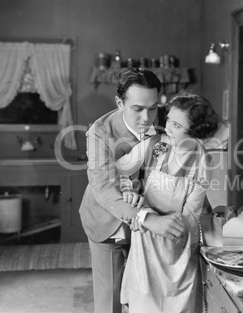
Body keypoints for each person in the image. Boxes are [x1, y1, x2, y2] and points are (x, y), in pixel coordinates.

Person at [117, 93, 219, 313]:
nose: (168, 129)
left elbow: (191, 214)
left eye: (176, 125)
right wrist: (130, 193)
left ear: (196, 131)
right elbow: (119, 171)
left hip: (177, 247)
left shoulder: (203, 162)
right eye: (168, 121)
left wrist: (170, 226)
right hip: (145, 239)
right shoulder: (154, 144)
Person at [79, 67, 163, 313]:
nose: (147, 118)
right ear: (119, 103)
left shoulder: (168, 121)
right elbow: (103, 185)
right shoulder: (99, 132)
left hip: (154, 217)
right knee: (111, 302)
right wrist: (143, 217)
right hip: (108, 219)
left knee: (151, 297)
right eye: (137, 109)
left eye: (153, 107)